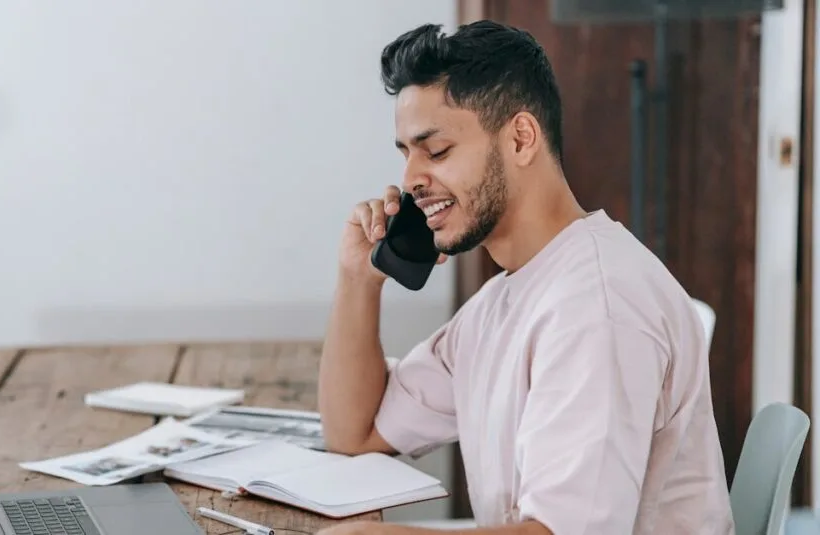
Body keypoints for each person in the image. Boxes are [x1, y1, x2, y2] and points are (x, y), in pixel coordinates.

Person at [315, 20, 734, 535]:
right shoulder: (504, 299)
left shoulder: (598, 308)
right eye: (406, 154)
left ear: (520, 138)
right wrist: (359, 279)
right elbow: (354, 433)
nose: (410, 180)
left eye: (436, 151)